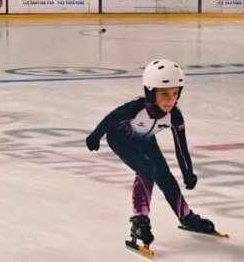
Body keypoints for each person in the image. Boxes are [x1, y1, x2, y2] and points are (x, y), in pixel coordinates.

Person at [85, 59, 217, 252]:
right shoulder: (134, 109)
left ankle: (186, 216)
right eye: (164, 94)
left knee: (165, 177)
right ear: (150, 92)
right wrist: (95, 136)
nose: (170, 100)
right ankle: (139, 220)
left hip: (146, 141)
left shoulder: (175, 116)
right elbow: (110, 119)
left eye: (175, 93)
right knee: (147, 169)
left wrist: (188, 172)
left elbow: (181, 147)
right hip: (120, 138)